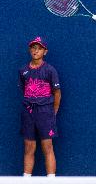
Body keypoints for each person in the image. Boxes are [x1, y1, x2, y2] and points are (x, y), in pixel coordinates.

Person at [18, 36, 61, 177]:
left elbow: (57, 93)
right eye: (33, 48)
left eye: (39, 48)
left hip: (45, 112)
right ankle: (26, 179)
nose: (35, 51)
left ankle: (51, 180)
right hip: (28, 112)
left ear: (45, 52)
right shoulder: (23, 70)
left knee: (47, 147)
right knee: (29, 147)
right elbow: (24, 89)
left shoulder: (50, 70)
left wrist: (52, 112)